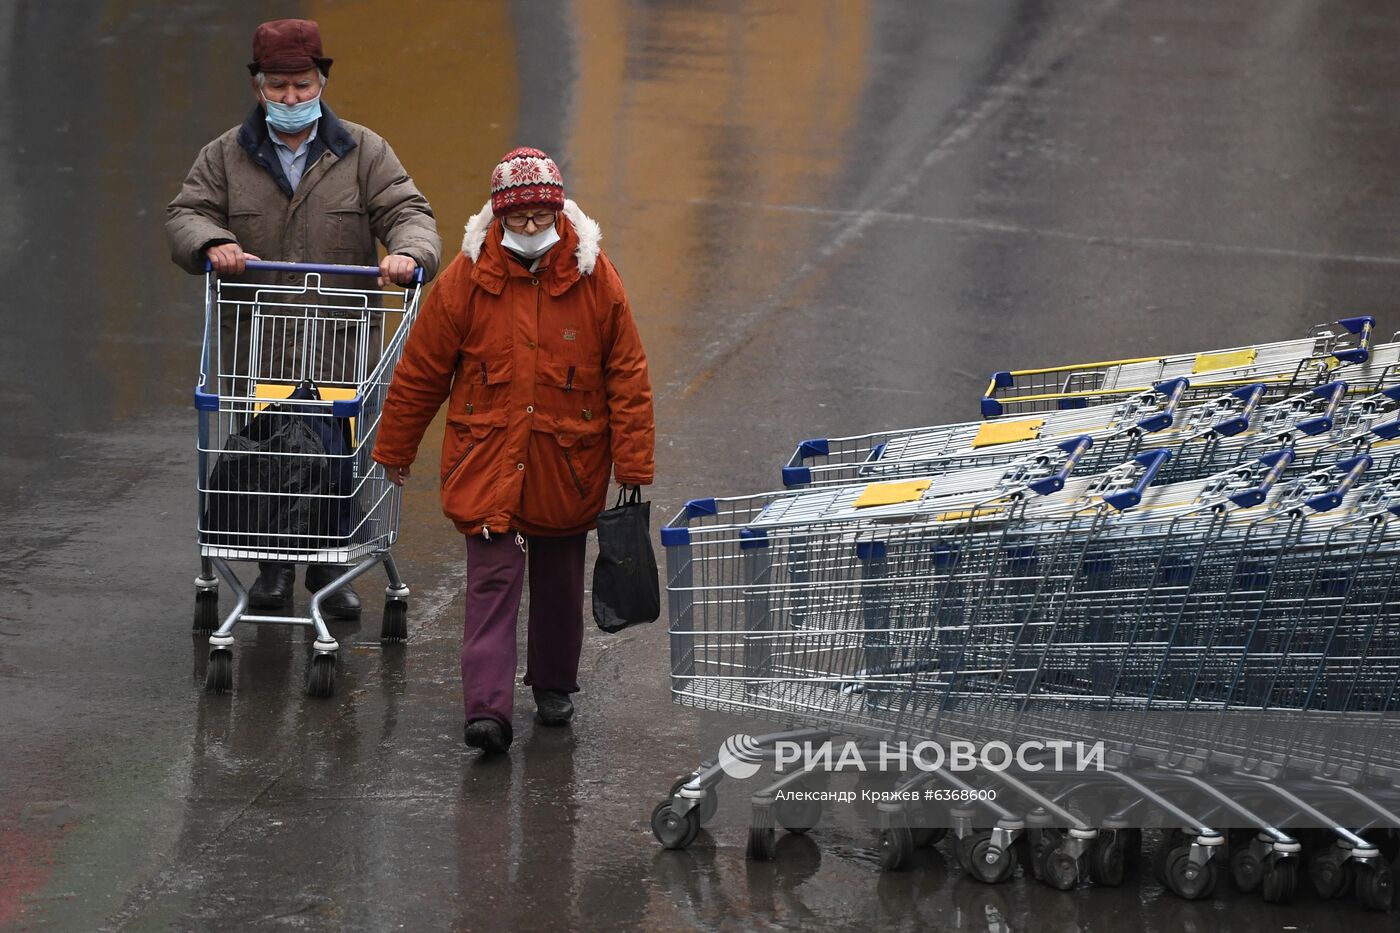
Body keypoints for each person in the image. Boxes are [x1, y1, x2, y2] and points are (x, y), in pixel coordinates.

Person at [372, 147, 655, 754]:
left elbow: (627, 374)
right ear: (498, 217)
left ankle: (554, 686)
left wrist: (633, 465)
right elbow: (422, 372)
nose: (530, 229)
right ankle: (487, 711)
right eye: (518, 218)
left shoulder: (596, 277)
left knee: (559, 587)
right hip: (488, 461)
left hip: (568, 465)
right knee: (490, 585)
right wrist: (395, 450)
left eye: (540, 217)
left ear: (558, 212)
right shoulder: (466, 280)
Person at [166, 19, 441, 617]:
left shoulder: (363, 151)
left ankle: (328, 566)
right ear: (258, 87)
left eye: (302, 85)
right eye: (278, 86)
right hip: (257, 344)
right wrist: (212, 241)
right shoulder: (224, 156)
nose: (291, 98)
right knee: (264, 457)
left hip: (340, 346)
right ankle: (272, 568)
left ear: (322, 82)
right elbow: (186, 213)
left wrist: (408, 253)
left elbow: (409, 210)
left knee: (338, 457)